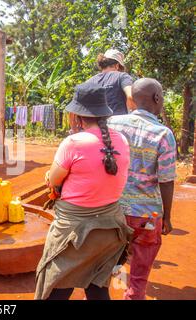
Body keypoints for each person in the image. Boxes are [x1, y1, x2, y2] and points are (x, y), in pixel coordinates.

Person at [35, 82, 132, 300]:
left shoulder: (73, 142)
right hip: (110, 229)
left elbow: (54, 180)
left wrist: (51, 179)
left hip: (75, 232)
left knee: (56, 287)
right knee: (97, 288)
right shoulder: (122, 140)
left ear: (77, 116)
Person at [108, 78, 176, 300]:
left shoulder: (111, 124)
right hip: (147, 215)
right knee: (139, 277)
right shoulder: (163, 134)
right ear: (157, 98)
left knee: (103, 267)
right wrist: (166, 217)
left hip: (112, 211)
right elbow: (166, 179)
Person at [86, 49, 136, 115]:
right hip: (118, 123)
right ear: (117, 66)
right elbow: (130, 96)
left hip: (96, 124)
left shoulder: (89, 81)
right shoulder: (122, 76)